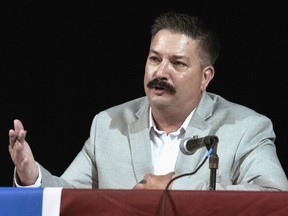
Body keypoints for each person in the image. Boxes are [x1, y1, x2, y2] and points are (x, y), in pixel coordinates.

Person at [8, 12, 288, 191]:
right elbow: (69, 195)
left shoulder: (246, 127)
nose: (160, 72)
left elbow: (275, 194)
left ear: (205, 77)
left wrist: (176, 191)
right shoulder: (108, 125)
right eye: (155, 58)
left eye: (177, 63)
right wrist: (32, 175)